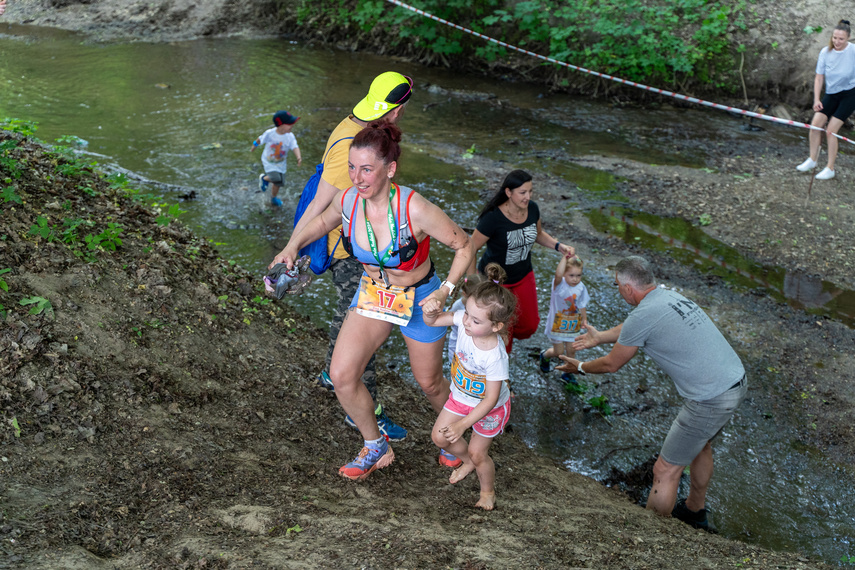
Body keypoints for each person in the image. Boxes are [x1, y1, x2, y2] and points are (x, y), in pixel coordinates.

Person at [270, 121, 472, 480]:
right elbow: (319, 223)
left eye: (366, 169)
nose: (357, 177)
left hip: (421, 297)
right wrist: (291, 246)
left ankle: (455, 437)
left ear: (389, 169)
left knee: (429, 383)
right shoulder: (347, 199)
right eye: (351, 167)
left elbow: (463, 246)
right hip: (375, 294)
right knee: (342, 375)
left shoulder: (416, 208)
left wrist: (446, 291)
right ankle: (375, 444)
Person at [557, 256, 747, 531]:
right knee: (700, 445)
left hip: (710, 398)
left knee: (665, 470)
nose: (618, 290)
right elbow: (636, 326)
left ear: (628, 288)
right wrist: (600, 336)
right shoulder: (666, 297)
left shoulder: (643, 314)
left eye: (617, 286)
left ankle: (654, 534)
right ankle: (694, 512)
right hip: (735, 381)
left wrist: (581, 367)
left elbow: (612, 364)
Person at [286, 71, 414, 442]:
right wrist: (291, 247)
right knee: (366, 331)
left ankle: (332, 373)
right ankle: (362, 411)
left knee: (348, 313)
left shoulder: (355, 123)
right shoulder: (352, 147)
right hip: (351, 252)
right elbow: (321, 204)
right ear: (397, 109)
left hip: (359, 246)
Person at [423, 263, 515, 511]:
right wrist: (430, 310)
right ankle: (468, 461)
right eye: (466, 314)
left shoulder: (495, 356)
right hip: (461, 397)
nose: (465, 322)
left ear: (496, 327)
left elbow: (490, 399)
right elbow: (432, 322)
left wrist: (463, 425)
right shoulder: (464, 324)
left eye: (474, 320)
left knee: (478, 453)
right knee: (439, 437)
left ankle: (488, 491)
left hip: (490, 408)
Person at [468, 169, 575, 353]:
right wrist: (471, 282)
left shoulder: (532, 208)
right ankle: (500, 367)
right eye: (522, 192)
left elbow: (538, 234)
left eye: (530, 192)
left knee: (529, 326)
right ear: (509, 192)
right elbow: (470, 248)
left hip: (523, 275)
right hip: (496, 282)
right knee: (503, 332)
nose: (528, 197)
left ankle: (498, 337)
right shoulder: (492, 218)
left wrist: (558, 246)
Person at [796, 19, 855, 180]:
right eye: (835, 38)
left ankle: (830, 168)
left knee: (831, 130)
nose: (837, 41)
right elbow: (819, 78)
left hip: (850, 95)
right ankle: (812, 159)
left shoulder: (853, 52)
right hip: (831, 94)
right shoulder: (825, 52)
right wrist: (816, 99)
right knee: (815, 125)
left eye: (841, 39)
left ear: (848, 38)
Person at [538, 255, 589, 385]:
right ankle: (544, 356)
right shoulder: (559, 285)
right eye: (571, 275)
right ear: (565, 273)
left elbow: (582, 304)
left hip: (572, 322)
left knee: (572, 350)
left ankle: (568, 373)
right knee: (559, 352)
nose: (575, 279)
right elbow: (558, 274)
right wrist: (565, 258)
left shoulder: (581, 287)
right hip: (557, 323)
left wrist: (584, 319)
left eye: (578, 275)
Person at [252, 110, 302, 207]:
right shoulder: (270, 133)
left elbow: (295, 146)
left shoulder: (290, 136)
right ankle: (264, 178)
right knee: (275, 178)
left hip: (281, 163)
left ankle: (273, 198)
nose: (292, 125)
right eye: (289, 124)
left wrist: (298, 157)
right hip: (269, 161)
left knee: (280, 182)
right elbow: (260, 139)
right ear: (281, 125)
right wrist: (254, 146)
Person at [446, 273, 486, 364]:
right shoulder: (458, 306)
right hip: (457, 341)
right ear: (464, 294)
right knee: (455, 363)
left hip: (476, 342)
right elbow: (447, 318)